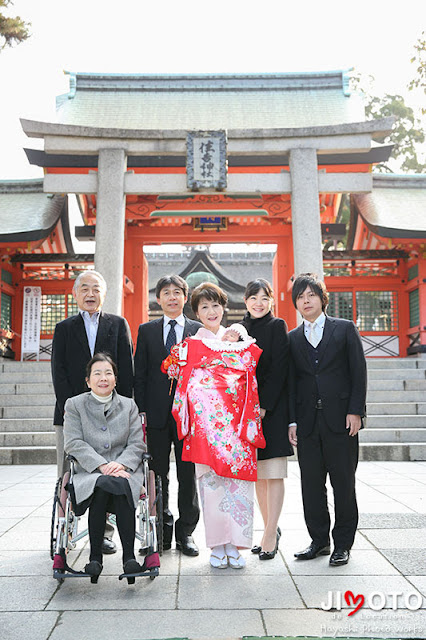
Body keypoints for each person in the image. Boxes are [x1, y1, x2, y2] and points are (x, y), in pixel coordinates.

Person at [167, 283, 265, 569]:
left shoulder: (239, 339)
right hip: (207, 427)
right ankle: (218, 545)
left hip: (236, 425)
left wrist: (238, 341)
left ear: (224, 308)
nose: (212, 312)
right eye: (204, 307)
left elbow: (250, 374)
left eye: (216, 305)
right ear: (196, 313)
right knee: (211, 488)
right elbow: (184, 383)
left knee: (238, 486)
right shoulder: (192, 344)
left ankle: (237, 545)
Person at [51, 269, 134, 555]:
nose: (90, 294)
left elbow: (126, 369)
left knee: (111, 467)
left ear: (104, 294)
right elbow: (58, 373)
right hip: (72, 412)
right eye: (84, 288)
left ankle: (106, 533)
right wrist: (71, 410)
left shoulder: (118, 324)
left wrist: (122, 411)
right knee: (68, 471)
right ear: (75, 294)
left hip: (111, 413)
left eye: (95, 289)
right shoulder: (63, 328)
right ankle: (67, 526)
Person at [288, 273, 367, 567]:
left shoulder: (344, 329)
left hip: (341, 420)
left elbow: (358, 372)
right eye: (300, 297)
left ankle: (343, 544)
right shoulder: (293, 338)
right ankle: (319, 540)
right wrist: (292, 421)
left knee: (343, 483)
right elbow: (292, 383)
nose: (306, 301)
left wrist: (356, 410)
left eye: (311, 295)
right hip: (307, 423)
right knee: (311, 484)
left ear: (322, 298)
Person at [133, 275, 201, 556]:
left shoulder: (199, 331)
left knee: (188, 475)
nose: (172, 297)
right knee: (157, 475)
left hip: (189, 417)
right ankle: (160, 531)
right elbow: (141, 374)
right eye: (166, 293)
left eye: (177, 292)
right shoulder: (147, 330)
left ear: (186, 297)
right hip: (157, 417)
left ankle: (186, 533)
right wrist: (142, 412)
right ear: (158, 298)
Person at [63, 353, 146, 582]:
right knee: (102, 484)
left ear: (116, 379)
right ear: (88, 381)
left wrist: (120, 464)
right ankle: (101, 557)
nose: (103, 378)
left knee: (119, 483)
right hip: (90, 472)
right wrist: (102, 465)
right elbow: (73, 442)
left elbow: (137, 443)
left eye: (108, 373)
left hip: (124, 469)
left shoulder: (129, 405)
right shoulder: (75, 405)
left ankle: (116, 558)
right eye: (97, 373)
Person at [241, 278, 293, 560]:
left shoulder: (277, 326)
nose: (258, 303)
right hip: (245, 412)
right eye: (253, 298)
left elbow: (280, 370)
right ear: (245, 301)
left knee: (273, 472)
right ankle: (268, 527)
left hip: (271, 411)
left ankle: (270, 532)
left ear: (272, 300)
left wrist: (264, 407)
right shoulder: (239, 329)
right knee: (258, 474)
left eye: (264, 298)